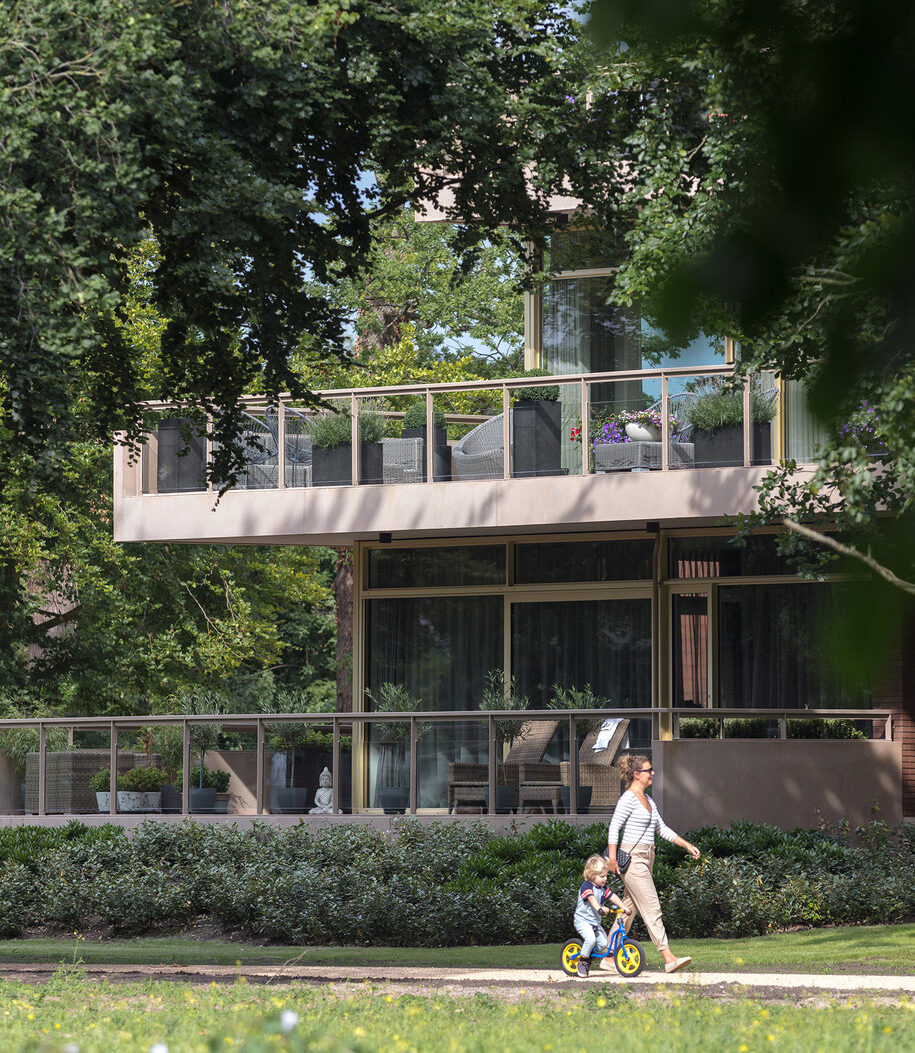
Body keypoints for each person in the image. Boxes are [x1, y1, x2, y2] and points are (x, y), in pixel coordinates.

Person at [607, 755, 700, 974]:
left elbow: (662, 829)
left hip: (648, 857)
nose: (653, 773)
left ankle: (610, 956)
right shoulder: (628, 799)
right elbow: (613, 827)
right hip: (632, 858)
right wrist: (612, 858)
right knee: (651, 904)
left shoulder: (649, 800)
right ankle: (668, 957)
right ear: (637, 774)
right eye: (649, 770)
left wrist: (686, 845)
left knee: (628, 907)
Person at [573, 853, 629, 978]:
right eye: (602, 876)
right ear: (592, 876)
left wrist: (623, 907)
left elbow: (613, 896)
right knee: (591, 939)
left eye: (606, 875)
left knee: (604, 944)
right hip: (583, 921)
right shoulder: (586, 886)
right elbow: (592, 898)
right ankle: (582, 962)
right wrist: (600, 908)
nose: (605, 878)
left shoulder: (603, 888)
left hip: (594, 923)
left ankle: (588, 953)